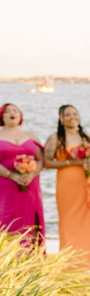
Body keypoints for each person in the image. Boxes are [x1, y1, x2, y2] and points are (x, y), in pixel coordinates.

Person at [43, 105, 90, 271]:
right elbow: (46, 162)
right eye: (67, 115)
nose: (72, 117)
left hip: (87, 182)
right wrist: (71, 162)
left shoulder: (85, 137)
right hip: (67, 185)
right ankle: (69, 263)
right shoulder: (55, 138)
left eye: (75, 114)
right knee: (68, 221)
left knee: (89, 219)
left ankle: (89, 262)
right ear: (61, 118)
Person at [0, 103, 46, 247]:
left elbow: (41, 160)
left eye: (15, 110)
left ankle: (31, 261)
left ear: (20, 115)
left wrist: (31, 174)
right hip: (6, 186)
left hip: (30, 185)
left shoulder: (30, 135)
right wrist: (11, 175)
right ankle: (8, 259)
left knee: (31, 221)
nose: (12, 113)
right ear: (2, 116)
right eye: (7, 111)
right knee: (7, 218)